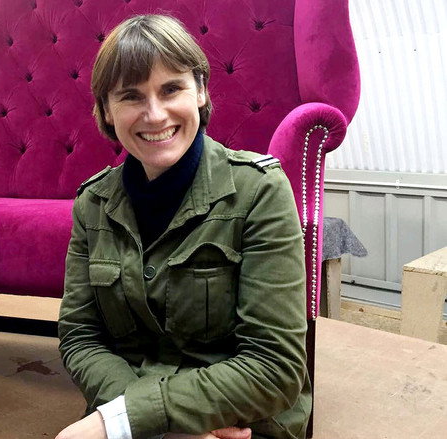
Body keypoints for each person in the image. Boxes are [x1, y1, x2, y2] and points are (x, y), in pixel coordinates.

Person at [57, 15, 310, 439]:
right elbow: (80, 336)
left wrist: (127, 419)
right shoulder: (92, 203)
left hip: (242, 423)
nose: (155, 115)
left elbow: (274, 365)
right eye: (131, 96)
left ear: (201, 90)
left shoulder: (260, 190)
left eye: (171, 89)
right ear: (106, 110)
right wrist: (152, 423)